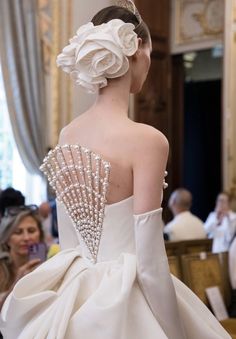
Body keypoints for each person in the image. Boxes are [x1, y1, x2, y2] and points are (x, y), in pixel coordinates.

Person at [0, 2, 230, 338]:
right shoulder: (148, 141)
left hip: (75, 295)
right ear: (138, 49)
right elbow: (150, 260)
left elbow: (69, 242)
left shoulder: (69, 135)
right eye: (150, 53)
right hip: (131, 295)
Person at [0, 206, 45, 307]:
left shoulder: (48, 265)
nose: (26, 238)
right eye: (18, 232)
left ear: (40, 235)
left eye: (31, 231)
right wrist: (16, 285)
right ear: (6, 238)